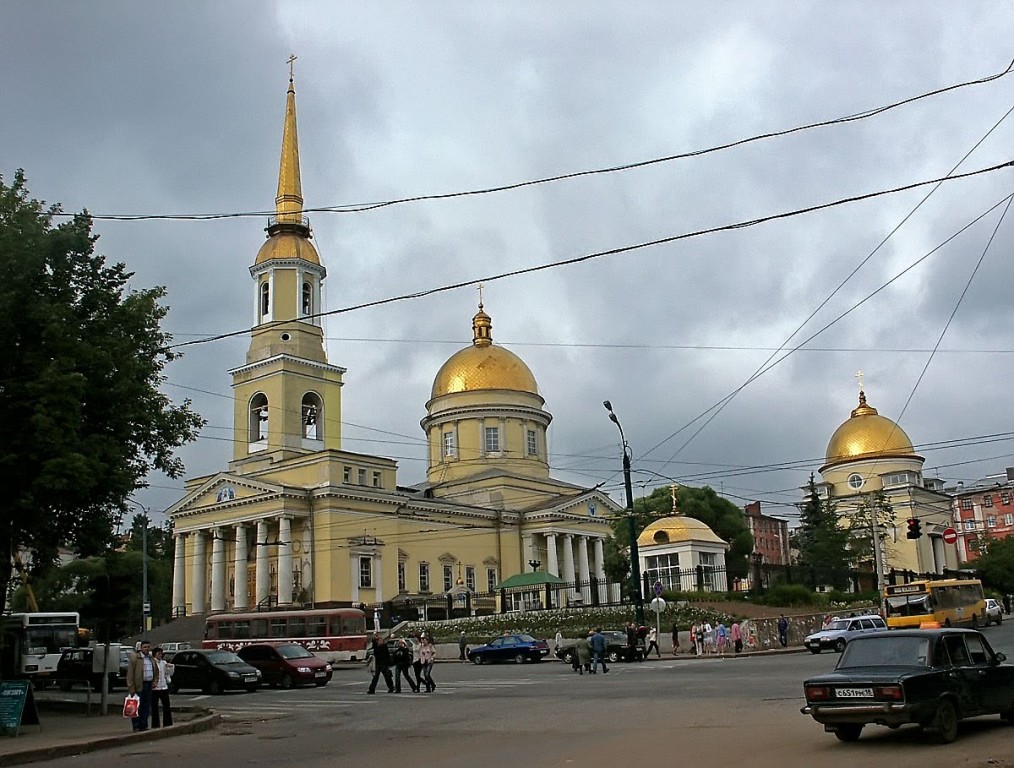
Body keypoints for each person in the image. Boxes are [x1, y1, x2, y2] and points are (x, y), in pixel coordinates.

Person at [127, 639, 159, 732]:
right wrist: (131, 687)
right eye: (145, 647)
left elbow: (156, 671)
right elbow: (130, 674)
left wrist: (155, 681)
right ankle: (136, 726)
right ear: (141, 648)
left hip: (149, 685)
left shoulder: (151, 658)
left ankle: (143, 725)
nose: (147, 649)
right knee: (137, 706)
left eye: (148, 647)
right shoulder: (135, 658)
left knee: (146, 706)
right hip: (138, 686)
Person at [150, 647, 173, 728]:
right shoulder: (152, 662)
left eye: (161, 654)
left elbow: (169, 673)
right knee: (154, 707)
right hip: (155, 687)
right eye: (158, 653)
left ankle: (167, 723)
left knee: (166, 705)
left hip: (164, 686)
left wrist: (170, 668)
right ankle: (155, 724)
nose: (160, 655)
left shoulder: (163, 663)